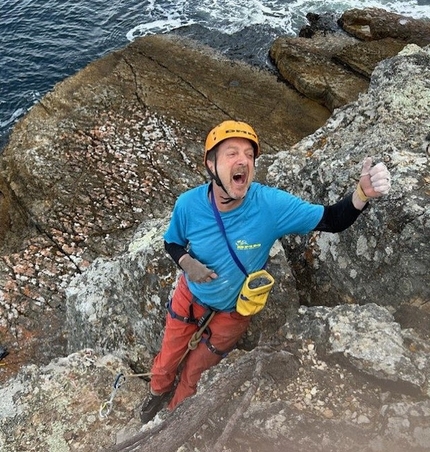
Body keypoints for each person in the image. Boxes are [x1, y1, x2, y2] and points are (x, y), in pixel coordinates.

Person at [139, 120, 391, 423]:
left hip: (234, 311)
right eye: (231, 153)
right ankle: (157, 391)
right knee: (168, 358)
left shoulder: (269, 205)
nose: (243, 160)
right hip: (190, 297)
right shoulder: (189, 205)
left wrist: (361, 194)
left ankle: (171, 419)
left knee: (195, 371)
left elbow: (332, 220)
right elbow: (172, 242)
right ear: (210, 164)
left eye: (249, 154)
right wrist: (188, 264)